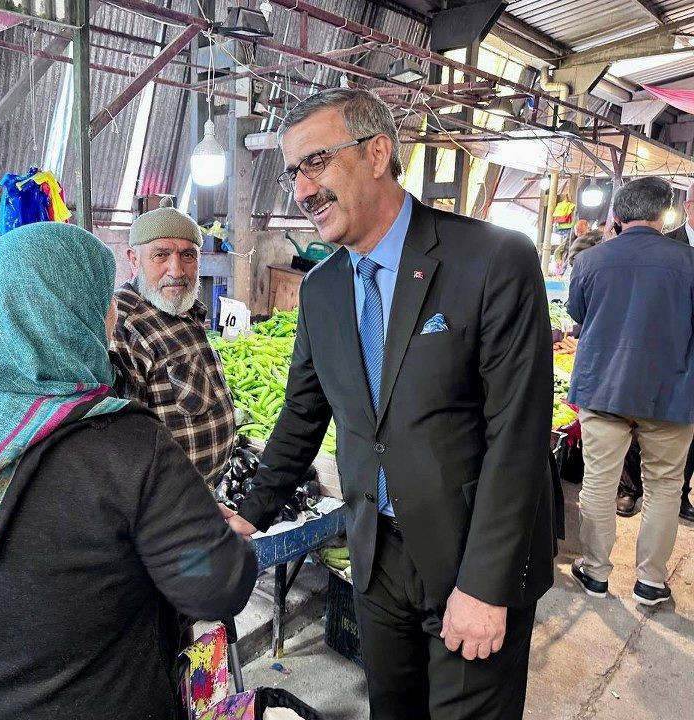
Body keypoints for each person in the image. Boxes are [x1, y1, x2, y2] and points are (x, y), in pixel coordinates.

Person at [221, 88, 555, 719]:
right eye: (293, 171)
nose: (303, 189)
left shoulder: (490, 260)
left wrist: (484, 587)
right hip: (377, 555)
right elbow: (302, 415)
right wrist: (251, 513)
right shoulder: (322, 290)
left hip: (469, 554)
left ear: (377, 153)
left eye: (316, 162)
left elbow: (518, 435)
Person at [0, 222, 257, 720]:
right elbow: (212, 584)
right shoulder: (127, 444)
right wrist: (219, 544)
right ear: (77, 315)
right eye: (104, 302)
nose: (113, 317)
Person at [567, 176, 694, 608]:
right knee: (664, 488)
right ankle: (651, 583)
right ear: (666, 214)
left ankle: (596, 572)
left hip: (604, 388)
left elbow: (580, 315)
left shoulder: (590, 262)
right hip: (672, 392)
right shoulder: (690, 261)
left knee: (599, 484)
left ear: (617, 215)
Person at [112, 199, 235, 486]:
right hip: (169, 511)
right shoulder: (124, 325)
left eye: (188, 256)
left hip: (204, 497)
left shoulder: (183, 308)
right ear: (133, 259)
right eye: (161, 255)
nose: (176, 270)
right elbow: (126, 447)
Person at [665, 182, 694, 522]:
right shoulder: (666, 243)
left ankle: (681, 493)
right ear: (688, 205)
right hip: (662, 352)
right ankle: (629, 491)